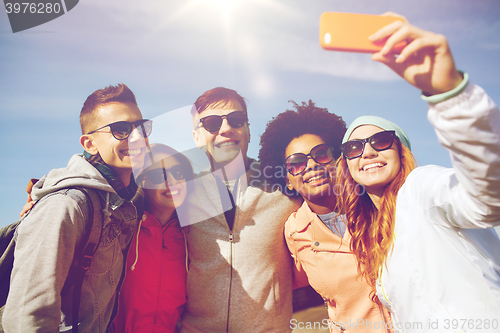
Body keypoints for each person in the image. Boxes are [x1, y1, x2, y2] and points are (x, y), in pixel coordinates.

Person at [336, 15, 500, 331]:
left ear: (401, 151)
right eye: (354, 147)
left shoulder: (421, 189)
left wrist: (451, 96)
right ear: (348, 164)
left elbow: (486, 197)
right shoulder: (372, 235)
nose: (367, 152)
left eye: (380, 141)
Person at [3, 84, 150, 332]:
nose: (136, 138)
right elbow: (27, 316)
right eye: (121, 130)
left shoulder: (129, 201)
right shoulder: (65, 205)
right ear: (89, 144)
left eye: (141, 127)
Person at [259, 100, 392, 332]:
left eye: (320, 154)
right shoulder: (294, 233)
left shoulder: (380, 202)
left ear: (338, 159)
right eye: (296, 163)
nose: (310, 165)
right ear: (288, 179)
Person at [180, 87, 301, 332]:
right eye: (211, 123)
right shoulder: (179, 193)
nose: (226, 129)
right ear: (196, 137)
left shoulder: (286, 184)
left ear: (247, 130)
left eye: (236, 120)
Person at [111, 144, 192, 333]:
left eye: (178, 172)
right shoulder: (121, 229)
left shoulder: (193, 236)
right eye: (158, 175)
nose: (171, 181)